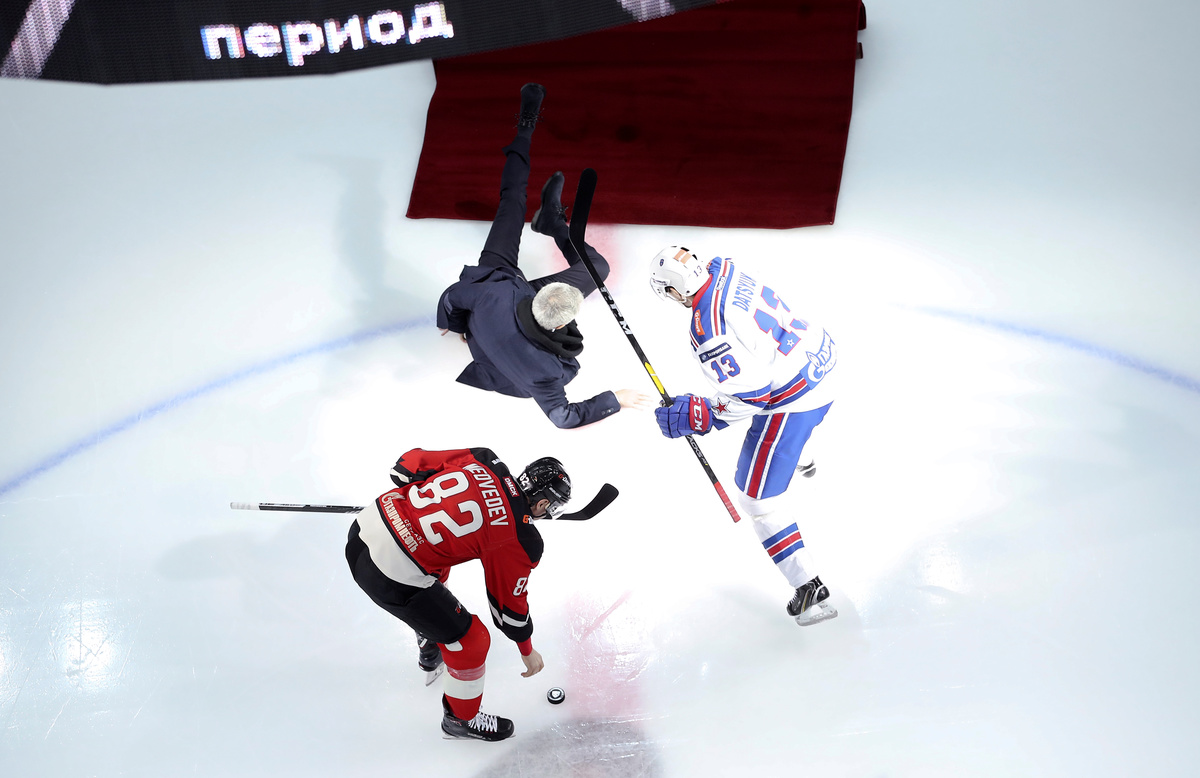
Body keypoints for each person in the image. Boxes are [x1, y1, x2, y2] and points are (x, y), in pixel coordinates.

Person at [436, 83, 651, 427]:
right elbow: (562, 418)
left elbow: (451, 298)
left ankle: (526, 134)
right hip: (503, 296)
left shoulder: (488, 295)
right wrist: (615, 400)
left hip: (498, 283)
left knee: (513, 201)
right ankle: (552, 221)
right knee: (597, 267)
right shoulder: (545, 370)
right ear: (560, 321)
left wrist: (457, 323)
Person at [647, 246, 840, 626]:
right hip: (822, 356)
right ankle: (801, 459)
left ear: (674, 289)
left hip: (798, 399)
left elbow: (753, 396)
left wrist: (701, 415)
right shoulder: (724, 268)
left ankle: (809, 588)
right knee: (786, 434)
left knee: (756, 499)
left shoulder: (707, 329)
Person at [344, 446, 574, 741]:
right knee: (472, 641)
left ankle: (430, 642)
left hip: (364, 527)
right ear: (542, 504)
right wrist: (527, 650)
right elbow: (507, 612)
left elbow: (403, 468)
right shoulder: (520, 537)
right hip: (385, 574)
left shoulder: (484, 459)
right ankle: (460, 719)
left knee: (437, 563)